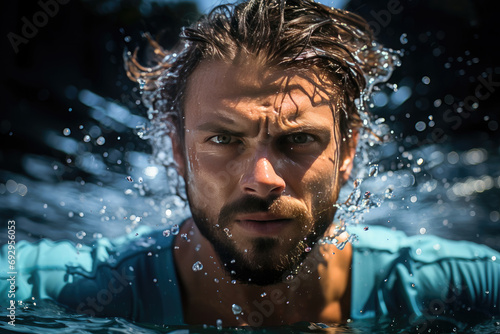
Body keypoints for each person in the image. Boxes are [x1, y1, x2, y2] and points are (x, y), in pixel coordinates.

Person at [1, 0, 499, 329]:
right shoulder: (73, 289)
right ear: (177, 152)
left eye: (299, 139)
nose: (263, 179)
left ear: (347, 152)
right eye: (222, 138)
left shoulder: (457, 285)